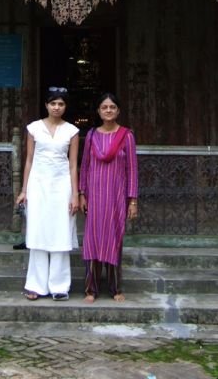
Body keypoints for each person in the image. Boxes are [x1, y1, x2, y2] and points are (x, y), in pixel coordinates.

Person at [16, 87, 79, 300]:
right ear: (46, 105)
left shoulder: (71, 131)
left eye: (61, 104)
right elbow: (29, 160)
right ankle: (36, 285)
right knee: (38, 231)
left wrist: (75, 194)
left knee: (60, 231)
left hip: (62, 185)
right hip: (38, 183)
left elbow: (72, 165)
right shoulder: (34, 128)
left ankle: (59, 286)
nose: (57, 107)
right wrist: (24, 190)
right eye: (53, 103)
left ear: (65, 107)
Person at [79, 92, 138, 302]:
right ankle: (91, 289)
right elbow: (84, 166)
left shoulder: (126, 136)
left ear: (118, 111)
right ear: (98, 111)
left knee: (114, 240)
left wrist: (132, 200)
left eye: (112, 107)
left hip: (116, 197)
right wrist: (82, 193)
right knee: (93, 240)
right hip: (95, 197)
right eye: (104, 107)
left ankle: (115, 288)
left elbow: (132, 169)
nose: (108, 111)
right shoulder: (92, 136)